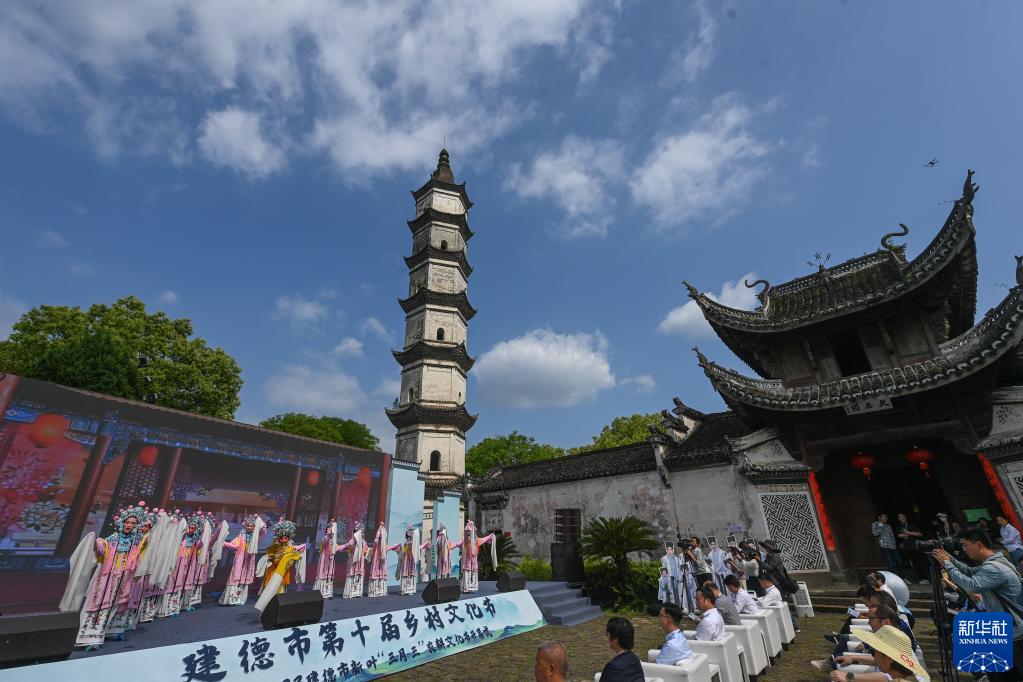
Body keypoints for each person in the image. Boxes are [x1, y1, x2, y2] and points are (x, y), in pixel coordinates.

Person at [934, 528, 1023, 680]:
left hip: (1013, 632)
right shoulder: (997, 562)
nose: (964, 549)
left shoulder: (994, 568)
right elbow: (970, 571)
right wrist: (950, 559)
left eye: (966, 545)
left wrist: (948, 564)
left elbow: (971, 585)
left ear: (979, 544)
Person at [61, 502, 151, 649]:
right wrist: (95, 543)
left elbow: (142, 555)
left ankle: (112, 631)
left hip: (124, 578)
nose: (129, 525)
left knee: (117, 605)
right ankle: (90, 638)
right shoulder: (112, 539)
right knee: (99, 604)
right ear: (122, 523)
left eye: (133, 523)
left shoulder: (137, 542)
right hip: (106, 578)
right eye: (127, 522)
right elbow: (101, 551)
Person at [828, 624, 930, 681]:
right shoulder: (903, 670)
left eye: (875, 653)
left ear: (890, 658)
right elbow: (885, 677)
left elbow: (884, 678)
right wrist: (853, 658)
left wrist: (849, 678)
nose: (875, 658)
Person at [253, 519, 307, 612]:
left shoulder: (290, 547)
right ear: (278, 538)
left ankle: (277, 607)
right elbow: (270, 558)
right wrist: (275, 558)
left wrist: (298, 553)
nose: (283, 540)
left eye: (285, 538)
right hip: (273, 571)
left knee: (280, 589)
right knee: (270, 587)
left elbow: (296, 554)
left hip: (282, 573)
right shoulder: (273, 547)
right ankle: (266, 606)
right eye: (281, 538)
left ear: (289, 538)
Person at [219, 514, 266, 605]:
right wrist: (223, 542)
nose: (250, 528)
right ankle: (231, 600)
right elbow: (233, 544)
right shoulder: (241, 536)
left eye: (252, 526)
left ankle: (241, 599)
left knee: (245, 578)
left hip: (249, 560)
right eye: (248, 526)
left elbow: (263, 531)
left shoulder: (256, 537)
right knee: (236, 577)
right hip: (240, 559)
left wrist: (260, 523)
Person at [451, 520, 496, 593]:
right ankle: (466, 588)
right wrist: (447, 545)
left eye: (473, 533)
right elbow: (454, 544)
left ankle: (473, 587)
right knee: (467, 573)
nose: (471, 535)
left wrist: (491, 536)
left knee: (474, 573)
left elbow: (485, 539)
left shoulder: (477, 541)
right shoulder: (464, 542)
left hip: (474, 564)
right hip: (467, 563)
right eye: (469, 533)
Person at [601, 617, 645, 682]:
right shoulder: (635, 659)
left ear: (615, 639)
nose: (607, 636)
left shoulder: (613, 667)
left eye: (607, 633)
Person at [389, 524, 422, 595]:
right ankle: (406, 590)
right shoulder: (409, 543)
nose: (410, 535)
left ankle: (408, 590)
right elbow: (404, 551)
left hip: (409, 559)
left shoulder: (410, 543)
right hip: (408, 559)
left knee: (409, 572)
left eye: (411, 532)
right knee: (408, 572)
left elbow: (405, 551)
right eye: (409, 532)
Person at [895, 512, 928, 583]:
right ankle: (921, 579)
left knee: (921, 562)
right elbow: (899, 535)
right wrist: (908, 534)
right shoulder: (898, 526)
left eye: (903, 516)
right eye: (900, 516)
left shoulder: (911, 525)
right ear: (898, 519)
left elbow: (920, 534)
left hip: (916, 546)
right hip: (908, 548)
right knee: (914, 564)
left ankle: (927, 578)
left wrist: (908, 533)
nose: (903, 517)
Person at [313, 519, 342, 598]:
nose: (329, 530)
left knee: (329, 572)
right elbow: (325, 543)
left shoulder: (333, 540)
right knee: (323, 571)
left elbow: (336, 548)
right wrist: (330, 535)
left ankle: (327, 592)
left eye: (330, 529)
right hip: (324, 556)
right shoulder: (325, 537)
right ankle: (319, 591)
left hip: (330, 557)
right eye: (328, 529)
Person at [339, 521, 369, 598]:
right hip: (353, 560)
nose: (363, 534)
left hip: (360, 561)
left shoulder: (364, 542)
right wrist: (336, 548)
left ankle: (357, 593)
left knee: (358, 575)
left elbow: (366, 550)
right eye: (361, 532)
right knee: (352, 574)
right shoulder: (353, 541)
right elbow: (346, 546)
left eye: (363, 532)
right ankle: (350, 593)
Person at [366, 522, 389, 597]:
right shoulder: (382, 532)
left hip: (379, 553)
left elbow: (376, 541)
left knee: (378, 567)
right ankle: (378, 590)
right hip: (380, 553)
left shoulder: (381, 532)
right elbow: (376, 542)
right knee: (379, 567)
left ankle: (377, 590)